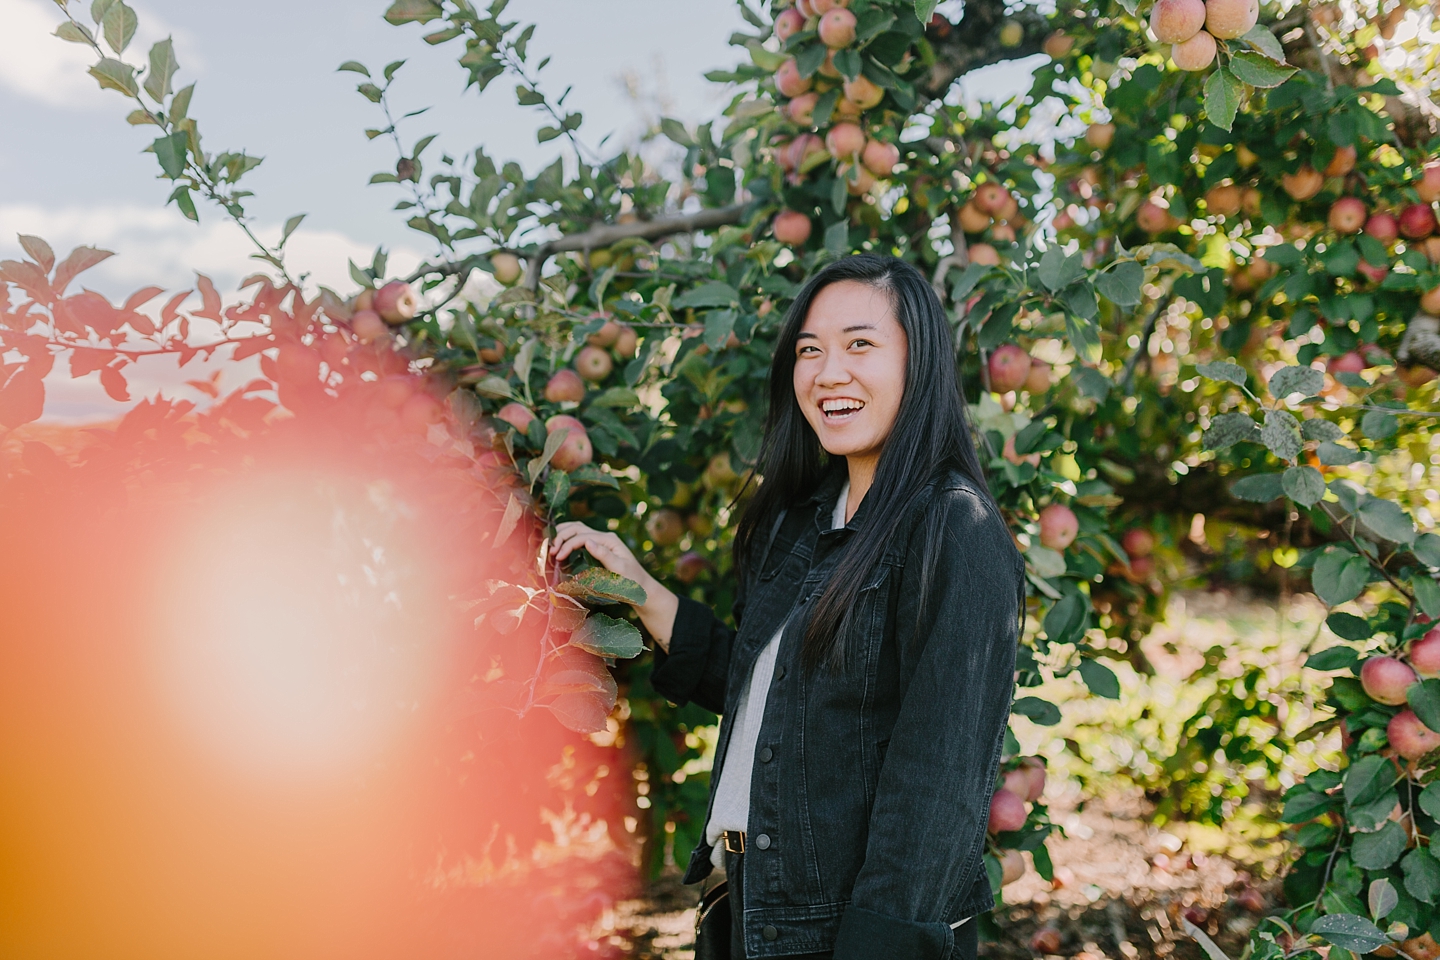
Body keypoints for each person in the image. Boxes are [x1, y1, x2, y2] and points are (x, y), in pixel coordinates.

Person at [553, 253, 1024, 960]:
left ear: (918, 362)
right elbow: (769, 696)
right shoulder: (803, 522)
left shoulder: (953, 529)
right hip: (748, 909)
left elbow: (937, 786)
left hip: (844, 933)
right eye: (810, 350)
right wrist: (640, 589)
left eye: (860, 344)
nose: (829, 372)